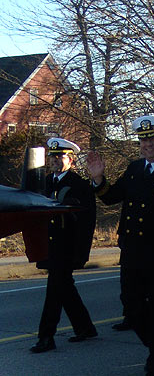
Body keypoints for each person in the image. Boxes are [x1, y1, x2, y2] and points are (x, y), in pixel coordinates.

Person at [86, 115, 154, 376]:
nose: (148, 145)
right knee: (131, 305)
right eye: (143, 141)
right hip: (133, 250)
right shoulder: (135, 168)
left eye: (152, 139)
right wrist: (99, 179)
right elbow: (112, 197)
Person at [30, 138, 97, 354]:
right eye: (52, 156)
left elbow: (87, 223)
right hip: (49, 246)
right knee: (64, 287)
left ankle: (46, 336)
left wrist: (81, 253)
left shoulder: (80, 185)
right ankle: (85, 327)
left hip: (68, 247)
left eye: (60, 156)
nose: (55, 160)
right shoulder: (44, 182)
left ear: (71, 160)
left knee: (55, 290)